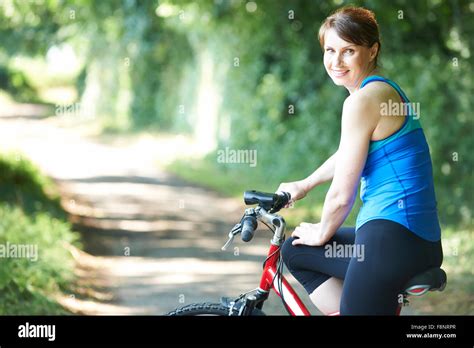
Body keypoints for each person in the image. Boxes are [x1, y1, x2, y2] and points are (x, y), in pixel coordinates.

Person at [278, 6, 443, 315]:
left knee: (307, 242)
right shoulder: (383, 91)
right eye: (330, 50)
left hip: (393, 240)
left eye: (348, 50)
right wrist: (306, 184)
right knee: (295, 249)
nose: (336, 61)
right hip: (414, 241)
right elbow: (352, 153)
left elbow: (342, 197)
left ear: (372, 50)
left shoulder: (361, 101)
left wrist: (324, 230)